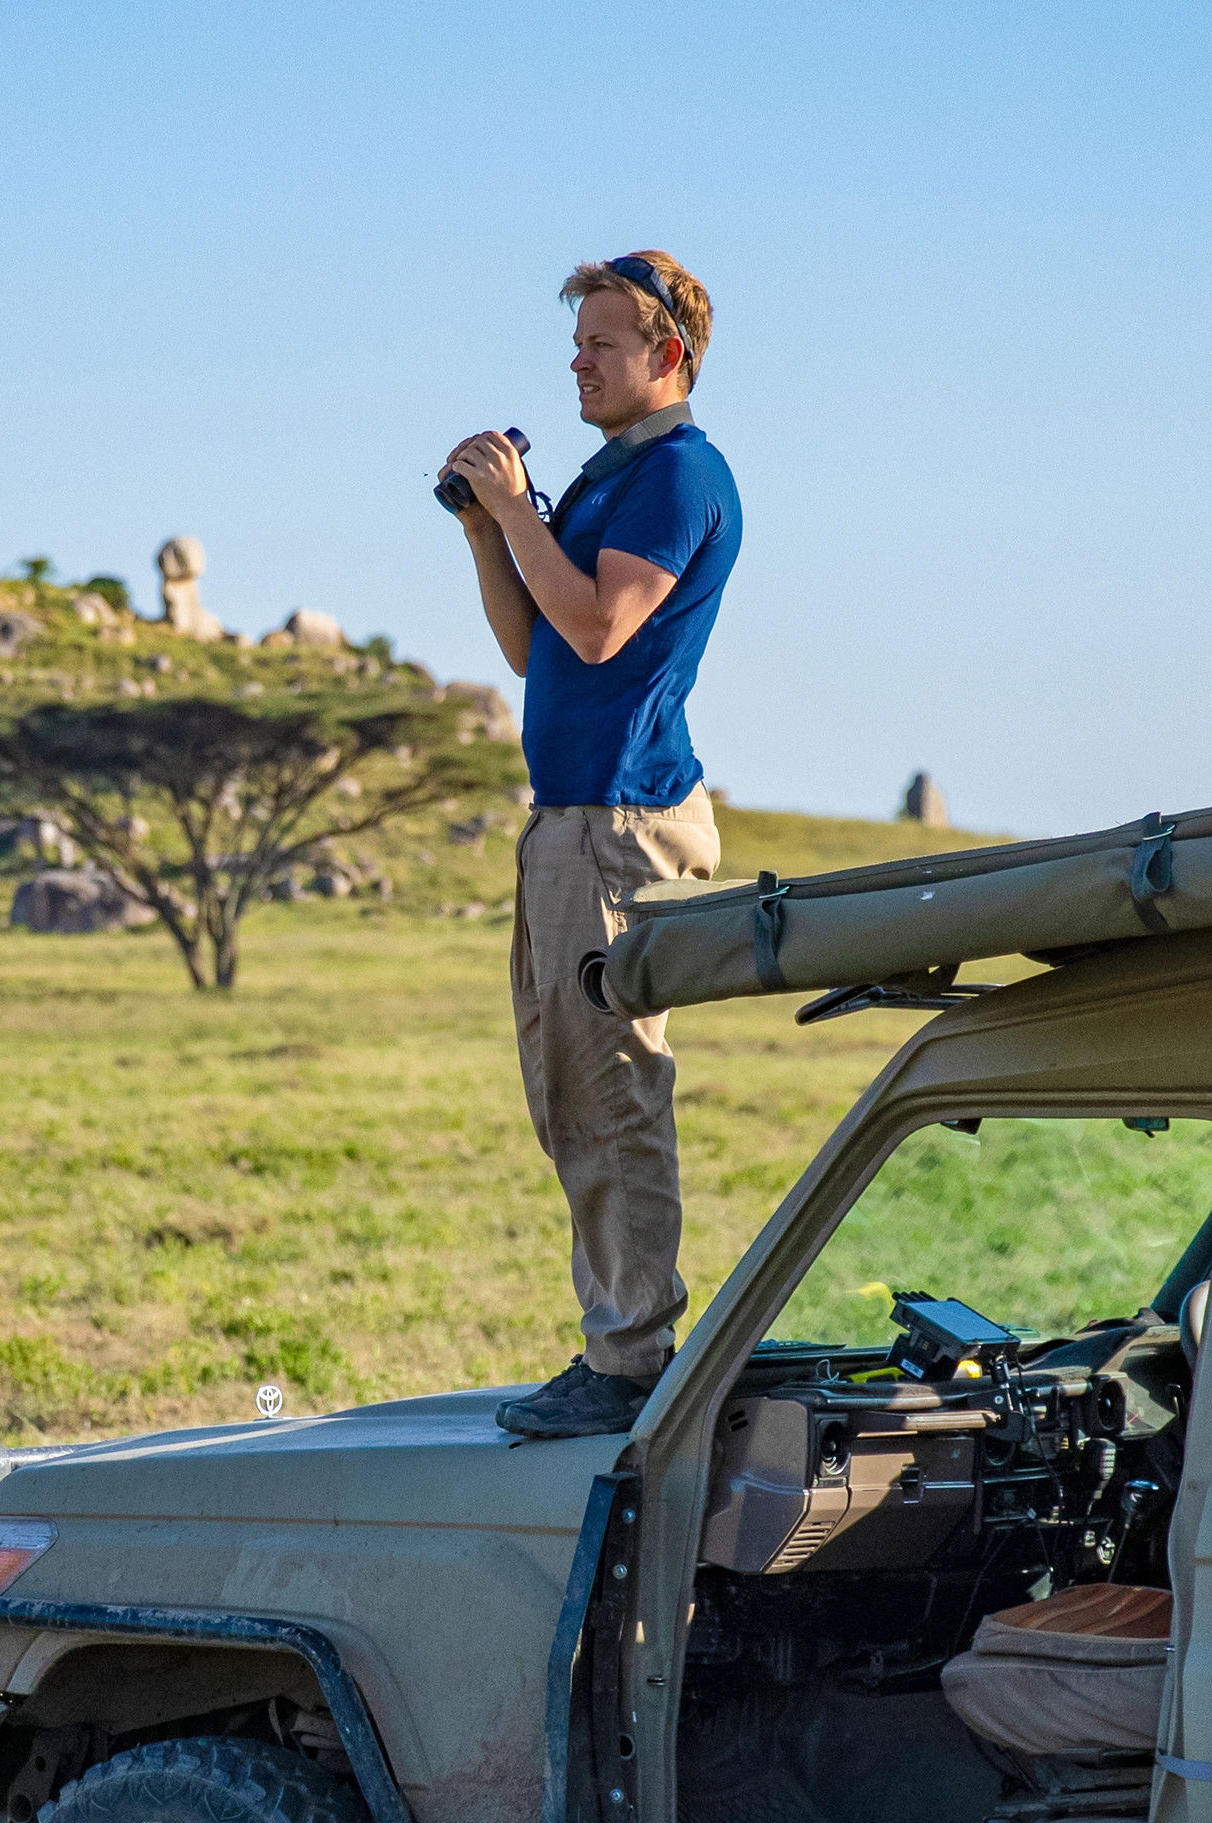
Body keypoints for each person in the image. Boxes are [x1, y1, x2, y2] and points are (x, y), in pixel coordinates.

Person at [439, 251, 741, 1440]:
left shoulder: (680, 476)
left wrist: (521, 508)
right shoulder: (610, 480)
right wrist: (488, 530)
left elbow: (604, 628)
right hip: (570, 820)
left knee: (611, 1091)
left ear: (668, 355)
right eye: (576, 344)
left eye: (601, 344)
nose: (578, 363)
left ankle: (629, 1363)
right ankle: (621, 1344)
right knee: (571, 1092)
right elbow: (537, 648)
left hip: (619, 825)